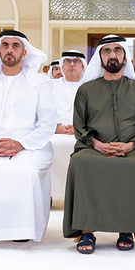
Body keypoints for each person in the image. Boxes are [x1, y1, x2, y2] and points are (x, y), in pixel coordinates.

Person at [64, 34, 135, 254]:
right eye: (107, 51)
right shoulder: (86, 90)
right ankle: (86, 230)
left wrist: (130, 146)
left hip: (131, 149)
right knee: (80, 163)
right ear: (100, 57)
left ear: (125, 58)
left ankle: (127, 228)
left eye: (118, 50)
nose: (112, 55)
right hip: (93, 148)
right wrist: (97, 144)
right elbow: (79, 126)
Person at [0, 30, 56, 242]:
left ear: (24, 53)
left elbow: (47, 123)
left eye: (15, 46)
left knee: (26, 171)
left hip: (31, 145)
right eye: (5, 46)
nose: (10, 50)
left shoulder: (40, 84)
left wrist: (20, 144)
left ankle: (23, 230)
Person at [49, 50, 86, 200]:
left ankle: (81, 195)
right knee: (47, 147)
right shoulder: (50, 86)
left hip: (82, 135)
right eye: (68, 61)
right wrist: (56, 128)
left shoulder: (90, 87)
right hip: (54, 133)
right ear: (62, 66)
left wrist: (79, 130)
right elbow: (41, 113)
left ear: (83, 66)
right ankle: (50, 193)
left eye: (76, 61)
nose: (72, 65)